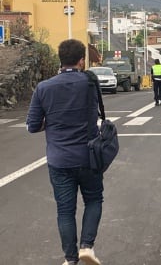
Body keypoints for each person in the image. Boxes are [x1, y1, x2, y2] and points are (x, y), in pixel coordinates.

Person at [26, 39, 103, 265]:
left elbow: (32, 125)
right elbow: (95, 113)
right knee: (94, 199)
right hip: (89, 156)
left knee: (65, 210)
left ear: (60, 59)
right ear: (82, 60)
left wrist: (50, 123)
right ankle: (87, 247)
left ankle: (70, 260)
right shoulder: (89, 83)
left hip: (59, 159)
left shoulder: (44, 87)